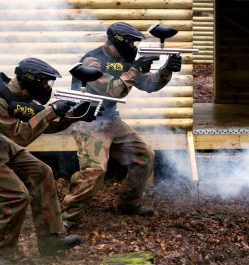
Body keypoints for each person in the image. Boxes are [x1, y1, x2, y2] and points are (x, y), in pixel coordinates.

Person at [0, 58, 99, 265]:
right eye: (44, 83)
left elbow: (42, 124)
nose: (46, 88)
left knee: (41, 172)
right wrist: (52, 111)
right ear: (30, 80)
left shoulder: (18, 94)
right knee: (15, 197)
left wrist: (75, 116)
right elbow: (22, 136)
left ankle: (51, 239)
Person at [61, 22, 182, 230]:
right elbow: (111, 91)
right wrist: (135, 70)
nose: (134, 48)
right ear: (120, 41)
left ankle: (127, 204)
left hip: (110, 119)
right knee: (95, 170)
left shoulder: (125, 61)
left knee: (144, 155)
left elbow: (149, 85)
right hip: (88, 121)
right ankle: (66, 218)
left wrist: (166, 71)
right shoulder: (92, 61)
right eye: (132, 43)